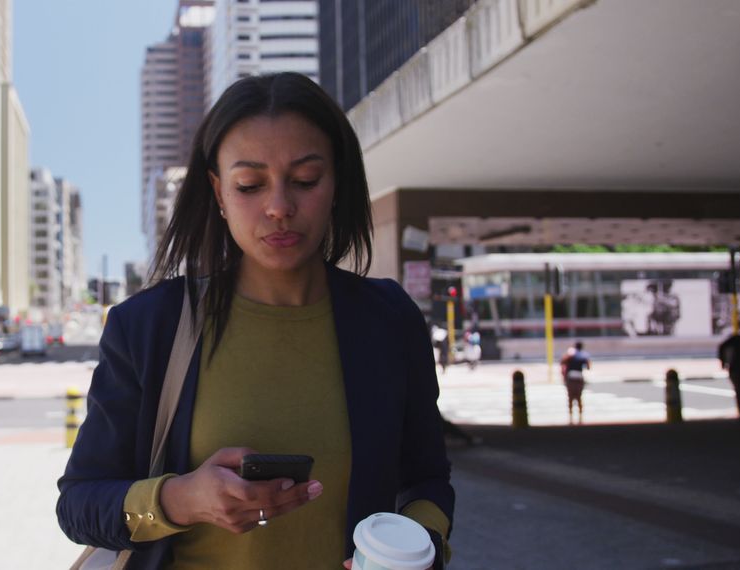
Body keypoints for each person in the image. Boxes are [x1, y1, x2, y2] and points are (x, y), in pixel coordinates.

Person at [57, 73, 454, 570]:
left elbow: (427, 480)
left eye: (306, 180)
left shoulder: (390, 319)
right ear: (218, 192)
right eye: (250, 185)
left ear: (337, 183)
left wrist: (420, 548)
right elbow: (78, 504)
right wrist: (181, 498)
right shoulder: (150, 325)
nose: (279, 207)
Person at [718, 318, 740, 423]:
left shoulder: (736, 339)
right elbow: (722, 347)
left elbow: (722, 347)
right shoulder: (736, 339)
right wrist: (723, 363)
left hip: (736, 369)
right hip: (738, 370)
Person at [561, 341, 591, 424]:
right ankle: (580, 418)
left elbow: (562, 362)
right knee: (579, 397)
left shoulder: (571, 354)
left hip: (570, 377)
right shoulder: (583, 355)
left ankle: (570, 418)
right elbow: (588, 367)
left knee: (570, 397)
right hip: (579, 377)